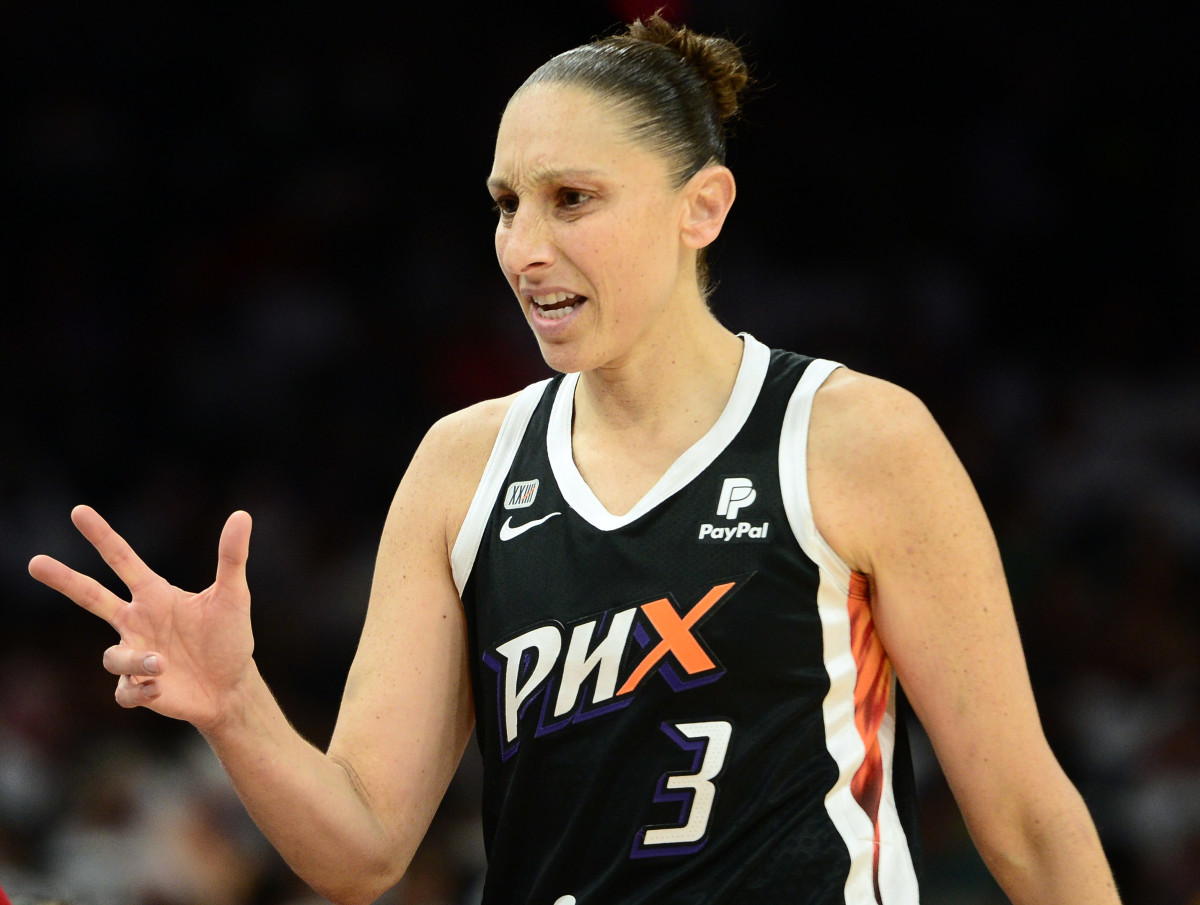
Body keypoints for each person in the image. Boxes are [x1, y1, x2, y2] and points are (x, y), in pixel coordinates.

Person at [29, 14, 1122, 905]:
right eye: (507, 204)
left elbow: (1025, 816)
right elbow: (359, 848)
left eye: (573, 199)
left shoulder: (855, 437)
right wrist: (236, 706)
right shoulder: (464, 464)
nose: (526, 247)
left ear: (703, 207)